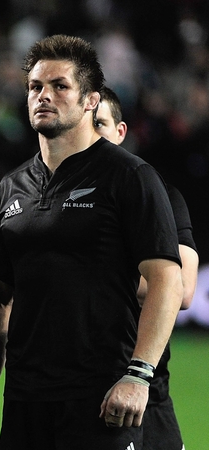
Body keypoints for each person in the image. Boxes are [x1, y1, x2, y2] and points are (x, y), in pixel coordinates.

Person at [0, 35, 183, 449]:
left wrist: (138, 375)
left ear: (90, 100)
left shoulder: (130, 177)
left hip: (102, 398)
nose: (43, 96)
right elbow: (0, 296)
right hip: (24, 399)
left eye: (59, 86)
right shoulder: (10, 187)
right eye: (35, 87)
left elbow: (166, 281)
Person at [95, 86, 199, 450]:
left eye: (100, 124)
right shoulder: (42, 197)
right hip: (59, 390)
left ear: (120, 133)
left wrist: (86, 277)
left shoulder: (161, 195)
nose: (91, 134)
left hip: (143, 387)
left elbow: (183, 289)